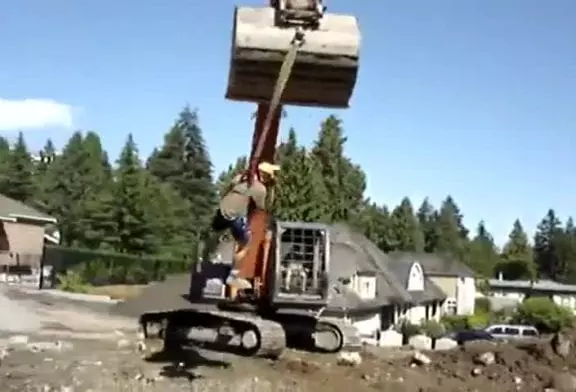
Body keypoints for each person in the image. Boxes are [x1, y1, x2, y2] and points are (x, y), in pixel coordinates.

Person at [211, 161, 280, 289]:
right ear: (265, 175)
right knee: (246, 243)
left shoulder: (240, 177)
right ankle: (234, 276)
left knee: (215, 232)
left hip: (222, 210)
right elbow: (260, 209)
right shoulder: (260, 189)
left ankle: (209, 254)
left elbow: (228, 188)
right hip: (234, 215)